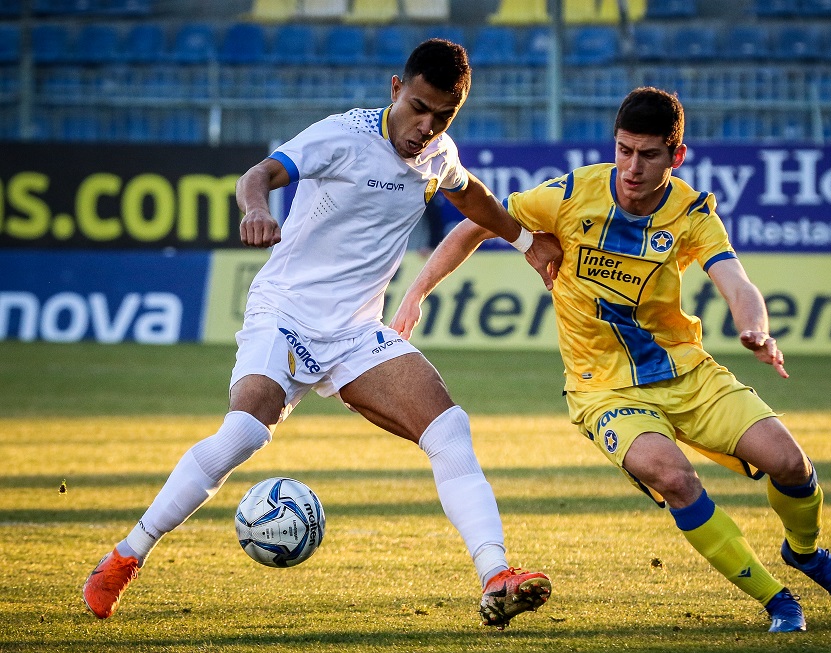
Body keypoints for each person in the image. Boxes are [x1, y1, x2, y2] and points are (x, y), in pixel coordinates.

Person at [82, 39, 559, 630]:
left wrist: (523, 241)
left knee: (450, 429)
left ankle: (496, 575)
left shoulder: (438, 155)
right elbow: (259, 175)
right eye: (418, 107)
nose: (425, 127)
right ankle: (126, 556)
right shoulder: (341, 136)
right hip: (285, 313)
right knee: (243, 433)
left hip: (356, 331)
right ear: (395, 89)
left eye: (443, 115)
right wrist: (256, 210)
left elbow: (472, 196)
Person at [391, 87, 831, 633]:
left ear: (676, 155)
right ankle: (778, 601)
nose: (632, 167)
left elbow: (735, 280)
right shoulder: (572, 194)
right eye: (624, 150)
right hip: (604, 391)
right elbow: (478, 222)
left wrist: (755, 329)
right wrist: (417, 292)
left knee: (792, 466)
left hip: (687, 374)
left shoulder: (691, 213)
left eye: (647, 154)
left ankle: (806, 554)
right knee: (674, 477)